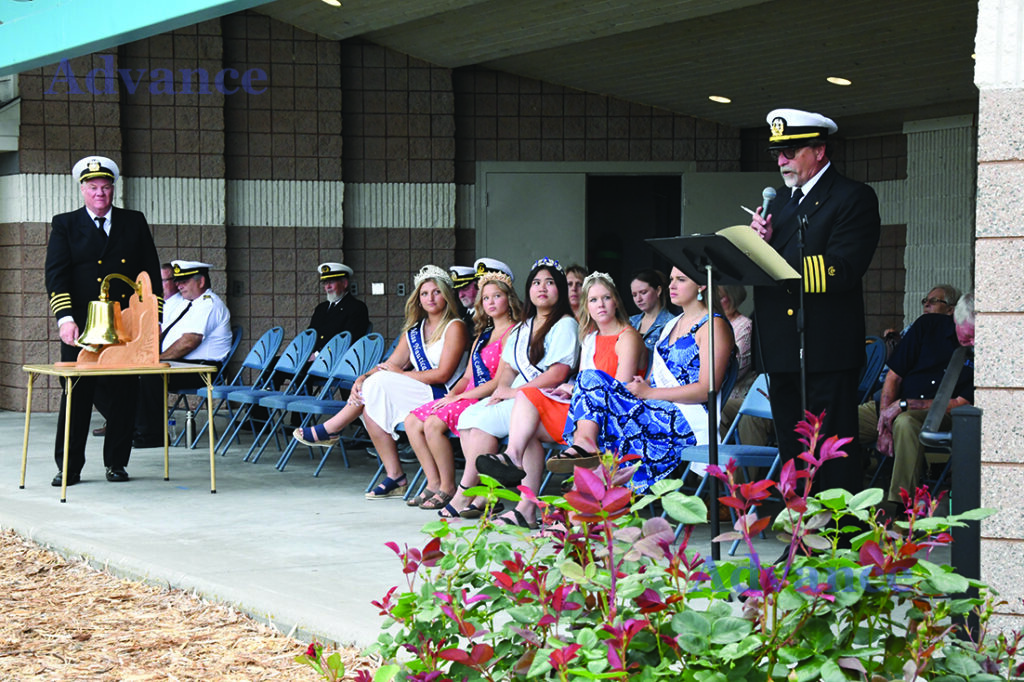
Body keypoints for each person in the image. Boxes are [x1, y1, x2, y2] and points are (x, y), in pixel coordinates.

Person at [748, 108, 880, 493]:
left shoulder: (851, 197)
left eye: (790, 150)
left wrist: (776, 258)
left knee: (830, 453)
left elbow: (842, 268)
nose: (781, 160)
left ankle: (836, 540)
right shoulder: (786, 206)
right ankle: (800, 540)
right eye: (778, 153)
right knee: (793, 451)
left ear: (820, 151)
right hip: (783, 349)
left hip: (824, 348)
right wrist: (762, 245)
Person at [476, 272, 644, 527]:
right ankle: (523, 497)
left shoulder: (627, 336)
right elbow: (587, 383)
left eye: (606, 298)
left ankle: (576, 514)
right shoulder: (590, 337)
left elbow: (618, 390)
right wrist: (571, 387)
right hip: (586, 411)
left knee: (556, 408)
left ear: (616, 302)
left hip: (614, 416)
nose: (600, 305)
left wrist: (577, 389)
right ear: (586, 305)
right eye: (594, 300)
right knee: (528, 400)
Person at [292, 265, 469, 500]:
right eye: (424, 293)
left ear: (446, 295)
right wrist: (363, 377)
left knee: (380, 385)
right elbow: (389, 364)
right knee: (371, 406)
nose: (430, 298)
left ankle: (333, 428)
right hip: (419, 391)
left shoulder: (454, 327)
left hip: (443, 394)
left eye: (436, 292)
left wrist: (398, 375)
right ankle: (395, 476)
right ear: (417, 298)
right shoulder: (413, 331)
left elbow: (443, 375)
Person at [557, 267, 734, 492]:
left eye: (681, 279)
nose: (671, 286)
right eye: (671, 279)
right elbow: (652, 380)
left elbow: (706, 389)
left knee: (605, 417)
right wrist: (640, 388)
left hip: (684, 417)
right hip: (654, 406)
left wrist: (650, 393)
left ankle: (587, 496)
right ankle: (587, 454)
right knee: (589, 379)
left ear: (701, 286)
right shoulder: (673, 324)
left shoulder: (713, 325)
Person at [44, 155, 161, 485]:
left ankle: (117, 463)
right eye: (93, 187)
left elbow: (149, 273)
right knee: (77, 395)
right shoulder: (65, 224)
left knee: (125, 394)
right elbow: (56, 276)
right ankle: (68, 466)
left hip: (124, 324)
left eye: (106, 187)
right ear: (82, 190)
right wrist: (64, 318)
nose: (100, 194)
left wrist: (153, 321)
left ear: (114, 190)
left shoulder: (133, 221)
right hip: (82, 325)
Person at [444, 258, 580, 522]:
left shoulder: (565, 323)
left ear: (560, 289)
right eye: (537, 283)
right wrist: (504, 388)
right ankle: (488, 496)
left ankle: (466, 492)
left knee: (483, 422)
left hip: (547, 398)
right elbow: (508, 368)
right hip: (520, 396)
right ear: (529, 289)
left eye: (550, 283)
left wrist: (514, 393)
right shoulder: (523, 326)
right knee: (466, 418)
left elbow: (558, 373)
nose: (542, 288)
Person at [403, 272, 523, 512]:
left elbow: (500, 381)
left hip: (488, 398)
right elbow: (467, 376)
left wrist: (460, 398)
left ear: (508, 300)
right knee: (412, 420)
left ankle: (449, 487)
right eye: (485, 297)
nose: (490, 302)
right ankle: (434, 482)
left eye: (496, 296)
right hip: (466, 395)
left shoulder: (513, 332)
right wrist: (451, 396)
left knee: (433, 425)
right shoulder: (482, 335)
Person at [859, 292, 974, 506]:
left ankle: (899, 509)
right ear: (955, 319)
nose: (973, 342)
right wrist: (884, 422)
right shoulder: (929, 326)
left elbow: (960, 403)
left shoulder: (983, 350)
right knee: (838, 420)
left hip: (941, 414)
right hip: (892, 406)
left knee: (905, 422)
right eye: (968, 335)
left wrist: (904, 406)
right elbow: (894, 376)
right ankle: (832, 498)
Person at [133, 260, 234, 447]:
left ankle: (153, 435)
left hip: (205, 370)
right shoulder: (191, 304)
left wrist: (158, 359)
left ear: (201, 282)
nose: (179, 285)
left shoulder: (209, 304)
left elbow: (189, 341)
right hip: (187, 365)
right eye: (178, 281)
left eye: (184, 281)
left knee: (149, 375)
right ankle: (137, 428)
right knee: (133, 374)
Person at [308, 262, 370, 355]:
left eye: (332, 282)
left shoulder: (356, 308)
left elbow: (349, 340)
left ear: (344, 283)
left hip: (335, 360)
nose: (328, 287)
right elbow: (310, 334)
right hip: (313, 358)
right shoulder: (321, 308)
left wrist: (318, 354)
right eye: (325, 283)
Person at [629, 269, 674, 355]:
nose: (638, 299)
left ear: (658, 291)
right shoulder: (630, 322)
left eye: (643, 292)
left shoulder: (671, 323)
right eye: (634, 295)